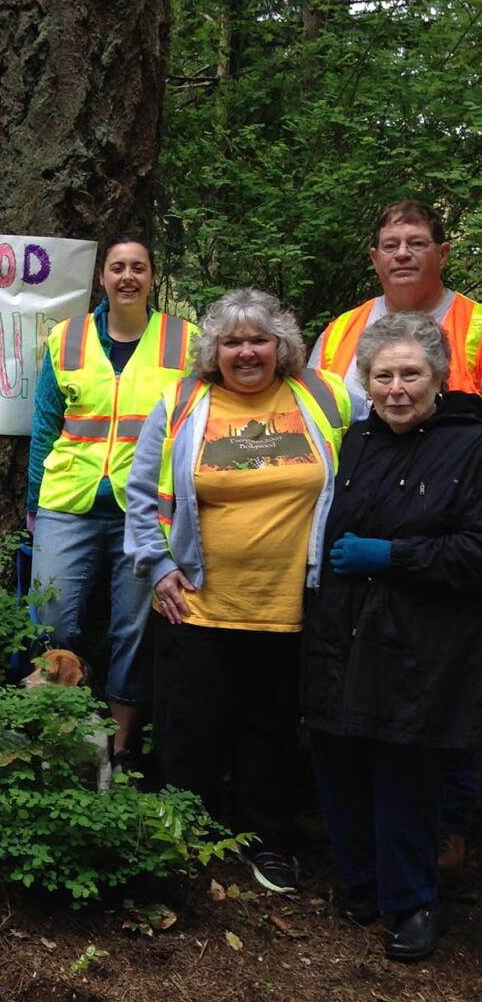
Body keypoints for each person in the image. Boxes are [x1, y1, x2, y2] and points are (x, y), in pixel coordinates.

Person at [125, 288, 350, 894]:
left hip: (291, 603)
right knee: (188, 728)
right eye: (232, 341)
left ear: (282, 347)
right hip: (194, 599)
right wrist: (157, 567)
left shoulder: (325, 396)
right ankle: (186, 841)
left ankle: (264, 841)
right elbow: (141, 495)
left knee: (273, 729)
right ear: (213, 351)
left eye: (259, 340)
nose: (246, 352)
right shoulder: (180, 402)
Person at [302, 313, 482, 962]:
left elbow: (475, 550)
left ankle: (413, 901)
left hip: (422, 641)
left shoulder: (470, 444)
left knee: (404, 767)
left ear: (439, 377)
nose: (398, 387)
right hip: (342, 630)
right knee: (338, 752)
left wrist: (393, 555)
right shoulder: (352, 441)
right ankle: (359, 884)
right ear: (366, 381)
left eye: (412, 373)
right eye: (384, 375)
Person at [27, 236, 196, 762]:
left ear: (151, 278)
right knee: (50, 615)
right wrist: (34, 503)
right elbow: (44, 424)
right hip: (67, 500)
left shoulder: (184, 341)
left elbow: (196, 425)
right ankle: (55, 733)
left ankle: (115, 751)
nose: (128, 276)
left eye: (138, 268)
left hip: (142, 509)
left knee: (133, 628)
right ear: (102, 277)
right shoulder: (67, 338)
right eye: (118, 267)